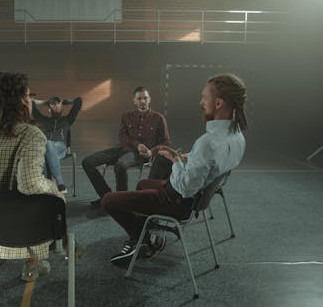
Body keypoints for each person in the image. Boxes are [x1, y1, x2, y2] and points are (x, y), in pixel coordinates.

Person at [102, 74, 248, 265]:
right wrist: (183, 157)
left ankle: (148, 240)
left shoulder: (208, 142)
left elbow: (185, 188)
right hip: (197, 198)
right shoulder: (238, 137)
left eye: (204, 97)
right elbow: (210, 164)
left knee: (108, 200)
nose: (201, 102)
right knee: (143, 183)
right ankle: (142, 233)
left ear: (218, 103)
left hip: (178, 201)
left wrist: (177, 163)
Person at [0, 72, 65, 282]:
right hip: (18, 229)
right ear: (20, 101)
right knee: (50, 197)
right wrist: (55, 189)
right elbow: (29, 184)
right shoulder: (30, 134)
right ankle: (33, 263)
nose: (30, 100)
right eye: (28, 95)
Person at [82, 86, 171, 206]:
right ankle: (106, 196)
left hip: (140, 155)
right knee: (87, 162)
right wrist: (137, 144)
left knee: (120, 165)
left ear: (150, 99)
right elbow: (123, 137)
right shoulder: (126, 116)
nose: (143, 101)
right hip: (121, 149)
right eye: (139, 99)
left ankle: (121, 202)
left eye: (145, 98)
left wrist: (151, 152)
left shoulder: (158, 118)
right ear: (134, 101)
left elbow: (165, 142)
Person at [32, 95, 82, 192]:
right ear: (49, 109)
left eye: (58, 104)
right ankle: (54, 187)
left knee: (48, 144)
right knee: (47, 151)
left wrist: (64, 101)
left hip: (61, 148)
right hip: (46, 150)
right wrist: (45, 102)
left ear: (61, 107)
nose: (56, 106)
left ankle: (58, 182)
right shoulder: (43, 120)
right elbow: (31, 105)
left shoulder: (67, 120)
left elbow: (78, 101)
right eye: (53, 105)